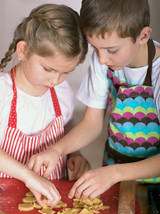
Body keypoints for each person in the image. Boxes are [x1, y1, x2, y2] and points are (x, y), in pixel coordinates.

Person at [27, 0, 160, 200]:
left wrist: (116, 174)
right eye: (95, 48)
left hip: (153, 185)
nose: (101, 59)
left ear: (143, 36)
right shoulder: (105, 60)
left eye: (112, 50)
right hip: (114, 174)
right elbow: (92, 123)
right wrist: (56, 150)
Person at [0, 3, 89, 206]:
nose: (55, 80)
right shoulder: (3, 94)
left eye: (66, 72)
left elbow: (66, 124)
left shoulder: (62, 91)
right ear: (23, 51)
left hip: (49, 201)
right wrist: (28, 175)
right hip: (5, 205)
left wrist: (75, 153)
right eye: (48, 69)